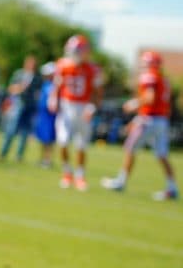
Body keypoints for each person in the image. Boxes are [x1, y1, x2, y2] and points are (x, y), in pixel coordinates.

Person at [101, 51, 177, 201]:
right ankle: (172, 187)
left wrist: (134, 104)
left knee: (130, 148)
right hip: (161, 120)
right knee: (162, 155)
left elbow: (150, 98)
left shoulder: (150, 77)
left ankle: (121, 182)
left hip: (149, 119)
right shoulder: (163, 79)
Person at [49, 34, 103, 191]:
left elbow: (98, 91)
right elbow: (57, 85)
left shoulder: (92, 68)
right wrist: (54, 99)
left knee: (81, 144)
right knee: (63, 141)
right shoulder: (63, 65)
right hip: (67, 106)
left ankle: (80, 175)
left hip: (83, 106)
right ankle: (67, 172)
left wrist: (92, 107)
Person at [0, 55, 42, 162]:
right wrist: (19, 88)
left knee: (25, 132)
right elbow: (10, 88)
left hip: (29, 106)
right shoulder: (18, 74)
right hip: (17, 105)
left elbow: (38, 92)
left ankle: (19, 155)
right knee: (11, 130)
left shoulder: (37, 78)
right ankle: (3, 153)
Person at [33, 62, 58, 168]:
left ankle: (47, 160)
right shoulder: (46, 84)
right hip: (43, 115)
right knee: (42, 138)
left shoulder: (55, 85)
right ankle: (42, 158)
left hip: (50, 116)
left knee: (49, 139)